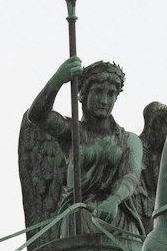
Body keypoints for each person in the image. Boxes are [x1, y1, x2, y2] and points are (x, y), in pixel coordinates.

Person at [23, 56, 150, 237]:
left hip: (118, 218)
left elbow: (131, 176)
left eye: (111, 94)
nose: (104, 100)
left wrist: (114, 200)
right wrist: (59, 78)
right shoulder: (71, 132)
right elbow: (36, 115)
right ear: (83, 95)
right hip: (79, 218)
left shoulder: (129, 140)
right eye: (98, 91)